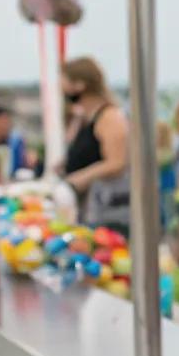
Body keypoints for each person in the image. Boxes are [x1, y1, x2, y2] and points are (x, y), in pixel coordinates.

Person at [61, 58, 130, 235]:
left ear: (80, 85)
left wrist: (80, 178)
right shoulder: (86, 117)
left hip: (110, 212)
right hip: (91, 210)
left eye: (64, 81)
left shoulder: (109, 117)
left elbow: (117, 162)